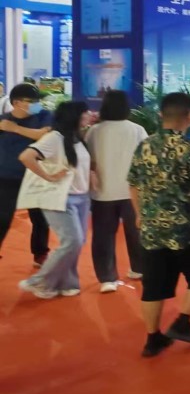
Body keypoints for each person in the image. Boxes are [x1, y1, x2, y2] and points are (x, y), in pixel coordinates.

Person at [128, 92, 190, 358]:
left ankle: (152, 338)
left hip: (152, 230)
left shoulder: (144, 146)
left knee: (153, 286)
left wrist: (139, 214)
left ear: (161, 115)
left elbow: (133, 184)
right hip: (189, 230)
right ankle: (182, 321)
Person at [17, 102, 92, 299]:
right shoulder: (54, 138)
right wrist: (48, 176)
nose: (89, 114)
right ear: (74, 115)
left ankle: (66, 283)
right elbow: (26, 156)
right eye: (85, 112)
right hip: (61, 197)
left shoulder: (78, 137)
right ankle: (39, 281)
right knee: (72, 241)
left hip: (82, 197)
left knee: (77, 243)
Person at [86, 90, 148, 293]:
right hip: (133, 191)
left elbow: (89, 160)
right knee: (136, 232)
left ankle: (107, 278)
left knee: (103, 235)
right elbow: (146, 159)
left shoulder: (94, 131)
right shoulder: (137, 130)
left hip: (102, 192)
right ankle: (139, 268)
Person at [0, 83, 51, 266]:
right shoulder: (2, 120)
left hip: (35, 175)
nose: (36, 104)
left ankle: (40, 253)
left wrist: (15, 128)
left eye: (37, 100)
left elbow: (45, 136)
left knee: (40, 218)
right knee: (3, 218)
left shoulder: (44, 116)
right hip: (6, 177)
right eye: (31, 101)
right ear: (16, 103)